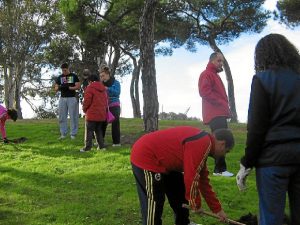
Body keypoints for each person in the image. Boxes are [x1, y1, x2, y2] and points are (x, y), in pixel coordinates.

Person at [236, 33, 300, 225]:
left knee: (271, 219)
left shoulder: (262, 80)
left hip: (272, 160)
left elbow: (256, 129)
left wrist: (247, 163)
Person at [130, 126, 234, 225]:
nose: (224, 155)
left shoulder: (204, 143)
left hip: (165, 163)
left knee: (179, 191)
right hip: (146, 156)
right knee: (154, 203)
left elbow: (203, 181)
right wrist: (195, 204)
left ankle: (183, 223)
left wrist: (217, 210)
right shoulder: (203, 143)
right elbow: (191, 177)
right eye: (226, 151)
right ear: (222, 144)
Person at [198, 52, 233, 177]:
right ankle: (220, 170)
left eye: (222, 61)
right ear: (212, 61)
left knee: (219, 141)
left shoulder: (213, 75)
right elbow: (204, 92)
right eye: (219, 61)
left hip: (219, 113)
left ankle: (219, 169)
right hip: (215, 114)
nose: (221, 63)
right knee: (221, 141)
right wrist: (221, 103)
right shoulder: (206, 74)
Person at [80, 74, 107, 152]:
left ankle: (87, 148)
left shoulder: (90, 88)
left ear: (90, 81)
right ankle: (101, 147)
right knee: (98, 130)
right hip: (101, 114)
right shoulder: (103, 89)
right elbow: (106, 101)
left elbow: (87, 101)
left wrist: (84, 109)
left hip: (92, 113)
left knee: (89, 131)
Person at [54, 63, 80, 140]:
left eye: (65, 70)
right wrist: (58, 87)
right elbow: (55, 87)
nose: (64, 72)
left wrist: (69, 88)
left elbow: (78, 86)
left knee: (73, 116)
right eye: (62, 70)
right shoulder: (60, 77)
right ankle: (63, 134)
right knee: (62, 117)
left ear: (68, 68)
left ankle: (73, 134)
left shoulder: (74, 76)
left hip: (72, 98)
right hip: (62, 98)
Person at [99, 65, 121, 147]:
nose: (102, 78)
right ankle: (100, 140)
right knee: (102, 123)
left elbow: (117, 93)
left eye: (103, 76)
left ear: (108, 74)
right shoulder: (100, 84)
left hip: (114, 105)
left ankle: (116, 142)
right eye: (100, 76)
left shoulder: (116, 83)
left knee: (115, 123)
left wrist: (107, 89)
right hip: (104, 105)